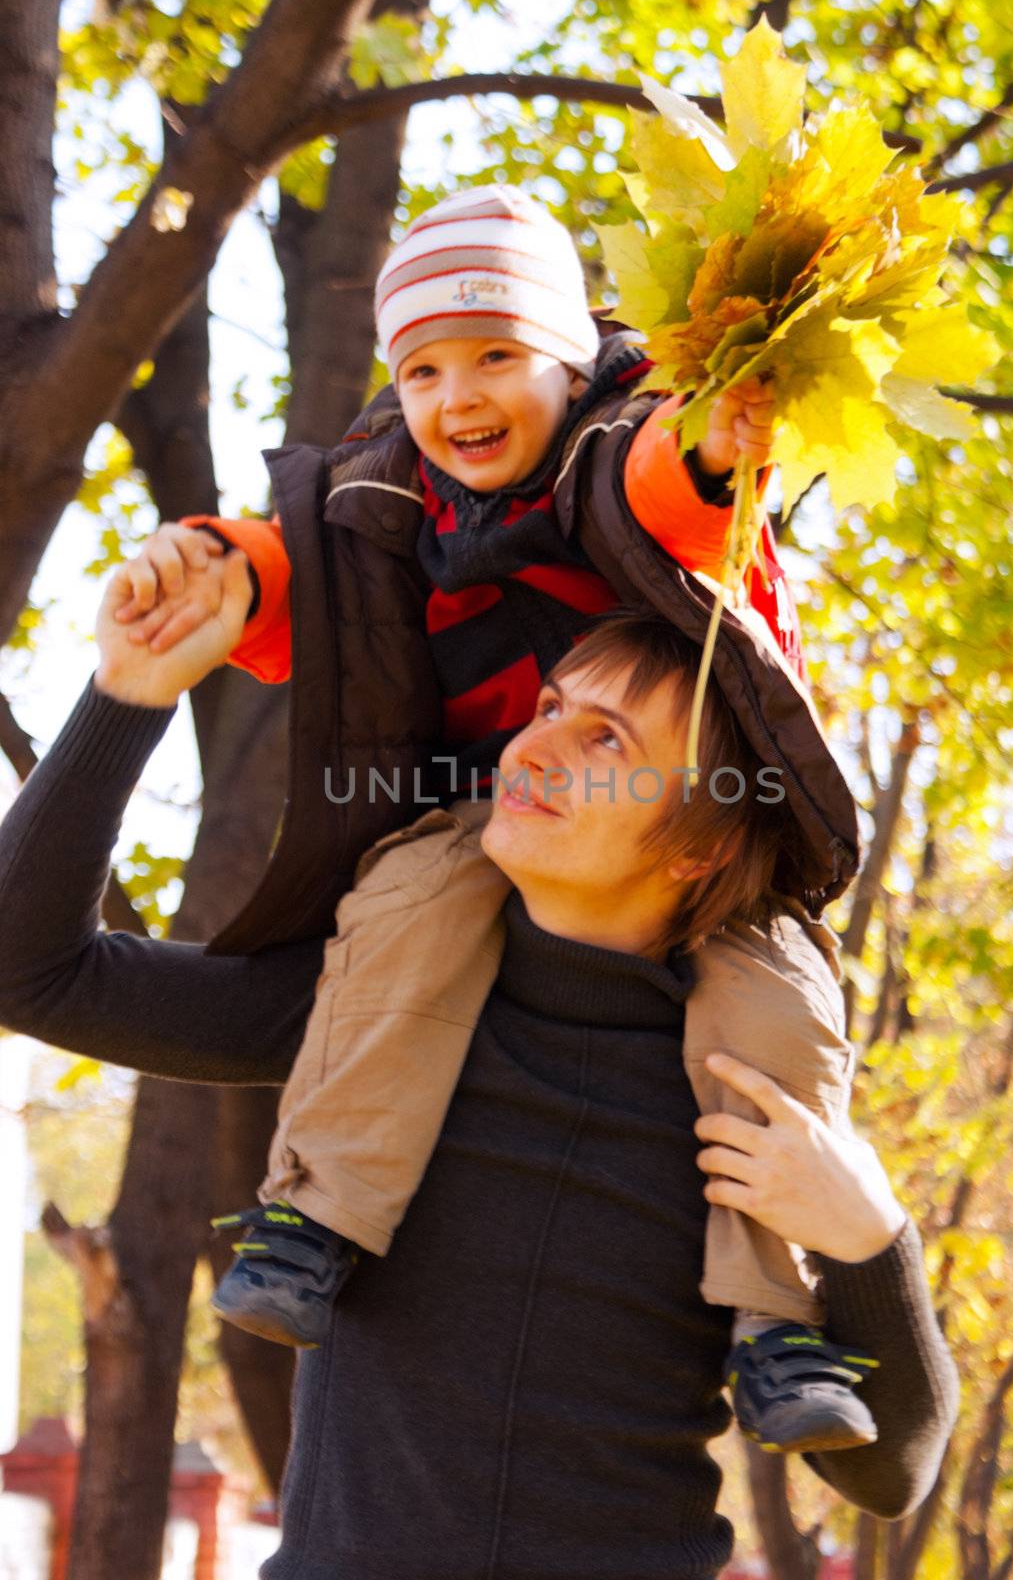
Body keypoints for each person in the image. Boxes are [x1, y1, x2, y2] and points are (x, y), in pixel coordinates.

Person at [104, 183, 864, 1446]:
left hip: (699, 814)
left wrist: (720, 448)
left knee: (775, 1006)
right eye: (424, 367)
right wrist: (212, 569)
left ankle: (776, 1320)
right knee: (406, 906)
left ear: (571, 358)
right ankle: (314, 1215)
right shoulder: (385, 493)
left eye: (500, 356)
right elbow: (298, 568)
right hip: (497, 813)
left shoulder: (618, 437)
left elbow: (659, 485)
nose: (460, 397)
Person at [0, 581, 957, 1579]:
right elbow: (28, 970)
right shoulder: (371, 1013)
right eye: (549, 708)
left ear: (704, 847)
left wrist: (871, 1239)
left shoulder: (752, 1093)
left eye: (606, 743)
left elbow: (890, 1474)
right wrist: (129, 690)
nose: (533, 748)